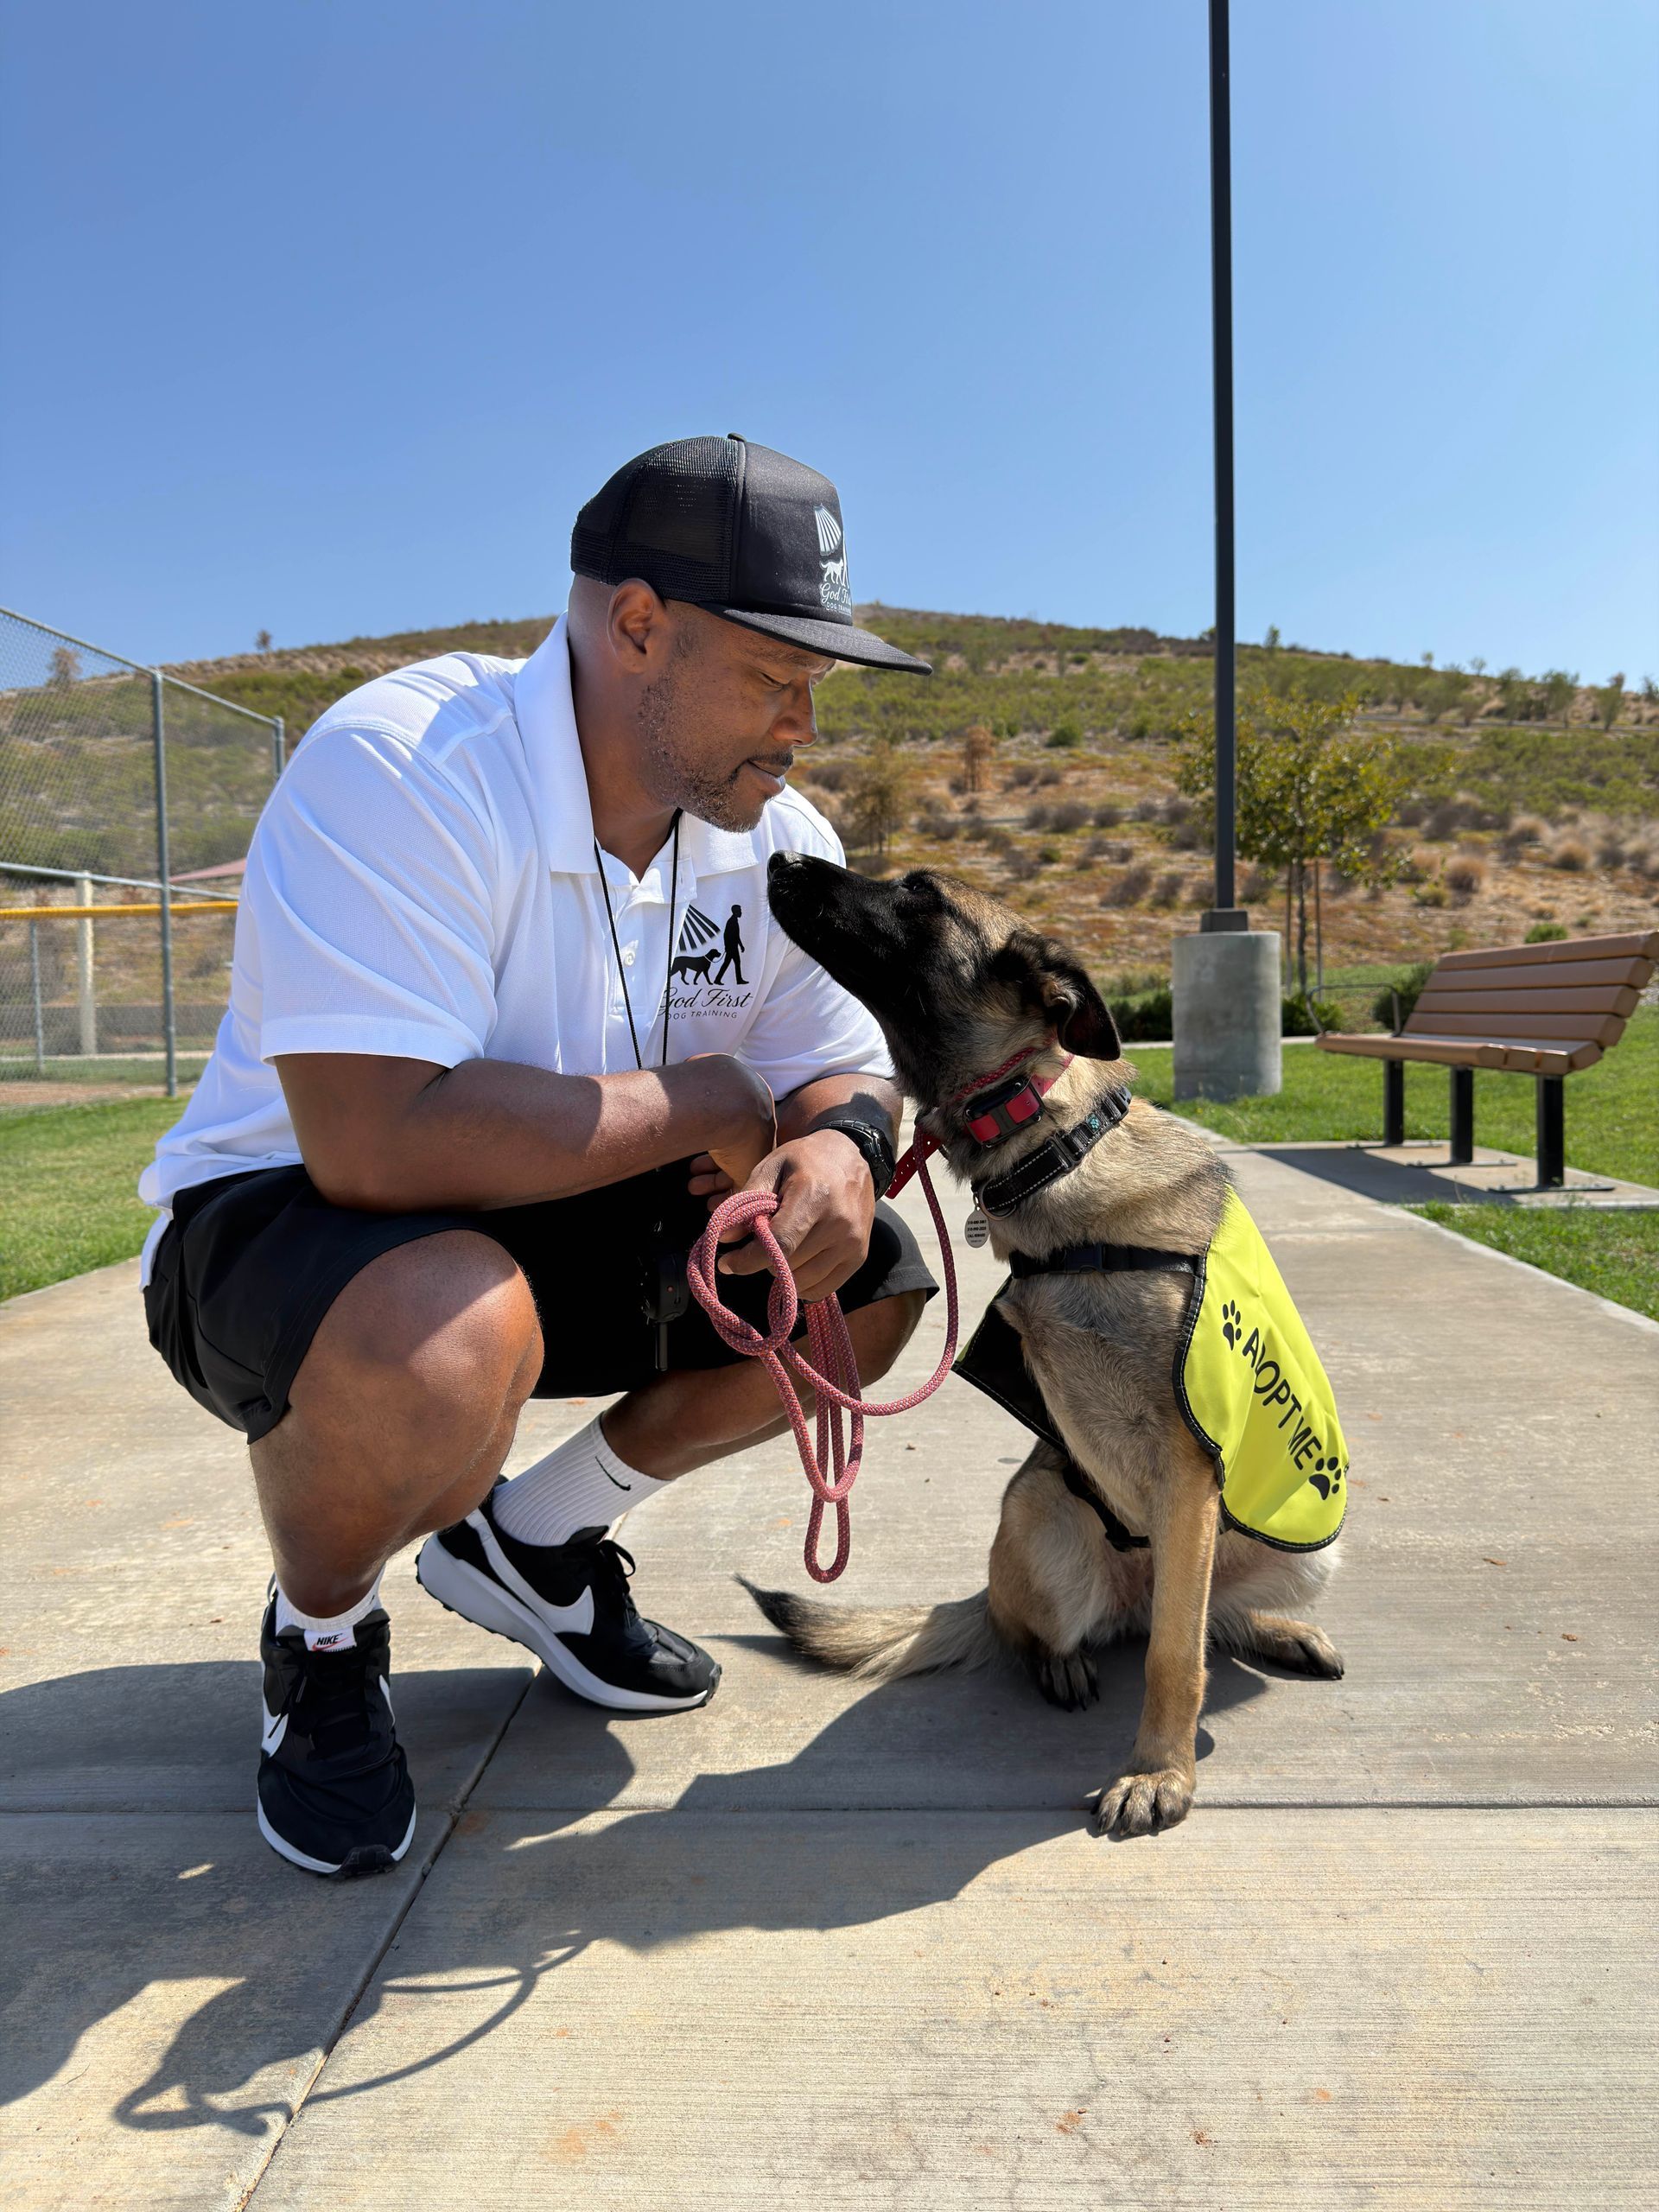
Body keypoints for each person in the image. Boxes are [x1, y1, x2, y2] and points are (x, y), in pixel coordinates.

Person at [138, 435, 935, 1878]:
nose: (803, 724)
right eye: (774, 674)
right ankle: (321, 1634)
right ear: (638, 627)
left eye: (815, 684)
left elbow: (843, 1052)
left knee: (862, 1284)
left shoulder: (771, 833)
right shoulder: (410, 763)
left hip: (540, 1220)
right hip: (283, 1228)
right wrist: (702, 1100)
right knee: (449, 1334)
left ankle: (535, 1544)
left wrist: (840, 1149)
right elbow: (373, 1141)